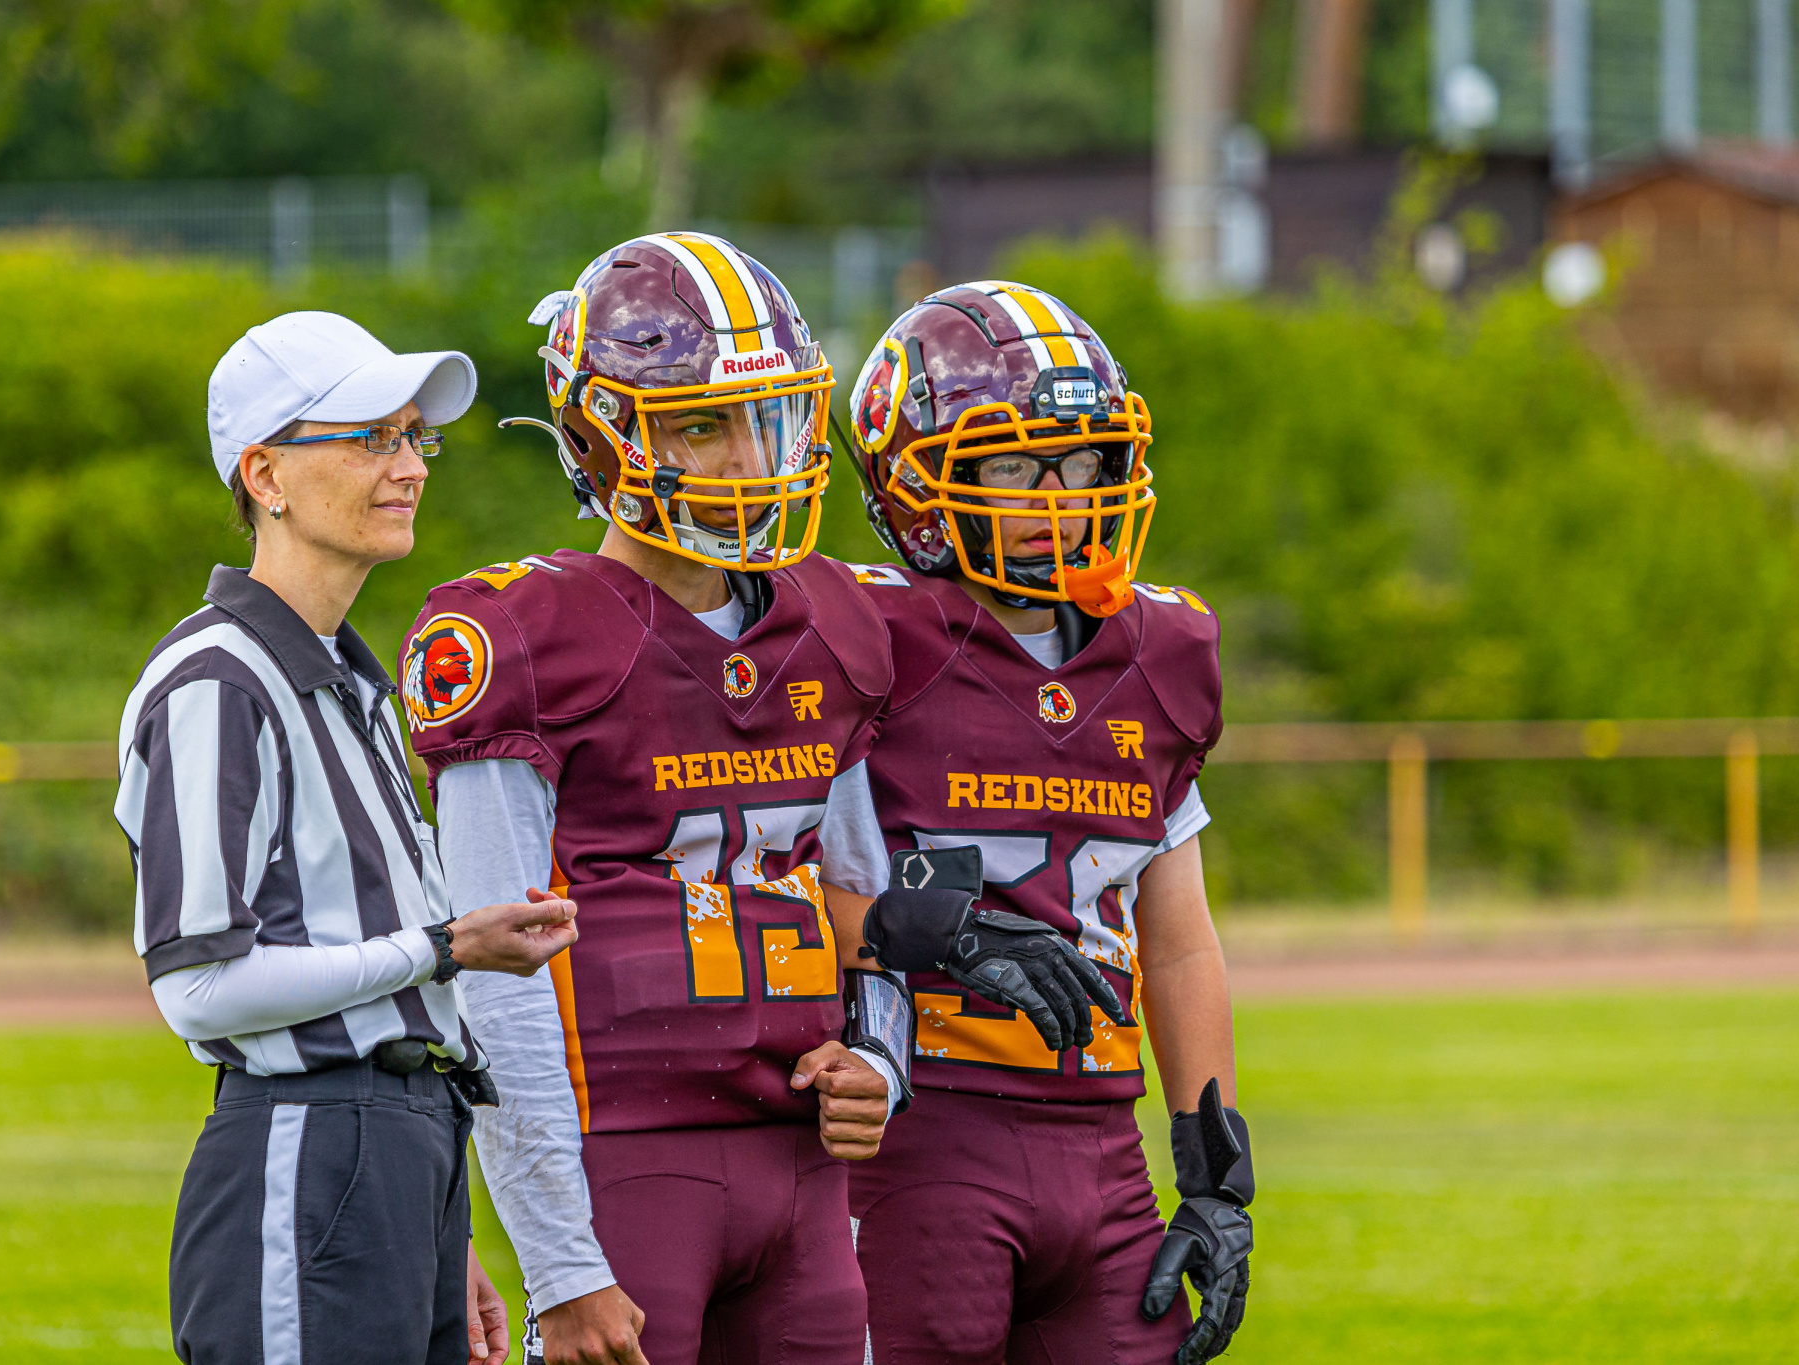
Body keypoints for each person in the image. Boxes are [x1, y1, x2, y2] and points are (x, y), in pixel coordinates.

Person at [400, 231, 919, 1365]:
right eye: (700, 425)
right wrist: (560, 1262)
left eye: (767, 417)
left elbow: (865, 906)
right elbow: (493, 978)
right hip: (622, 1159)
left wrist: (882, 1059)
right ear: (601, 435)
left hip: (798, 1168)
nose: (748, 457)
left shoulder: (833, 622)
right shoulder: (523, 635)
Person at [115, 310, 579, 1365]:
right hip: (306, 1146)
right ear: (265, 474)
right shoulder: (218, 678)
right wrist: (443, 947)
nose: (408, 466)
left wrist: (445, 1226)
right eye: (371, 437)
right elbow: (198, 986)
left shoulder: (350, 681)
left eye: (414, 437)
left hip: (402, 1154)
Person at [826, 281, 1255, 1365]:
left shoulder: (1158, 653)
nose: (1059, 498)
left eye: (1081, 462)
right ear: (914, 480)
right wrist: (936, 931)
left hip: (1103, 1145)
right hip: (923, 1129)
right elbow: (782, 879)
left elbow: (1179, 937)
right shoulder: (859, 637)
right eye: (1016, 468)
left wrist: (1215, 1181)